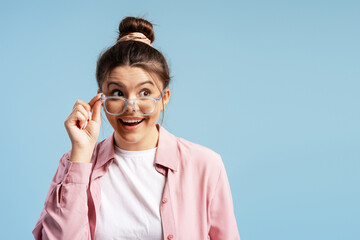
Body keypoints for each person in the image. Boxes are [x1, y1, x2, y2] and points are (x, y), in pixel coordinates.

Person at [32, 16, 240, 240]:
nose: (130, 108)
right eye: (118, 93)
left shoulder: (206, 165)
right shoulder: (73, 165)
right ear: (100, 99)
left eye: (145, 93)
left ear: (164, 98)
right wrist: (81, 155)